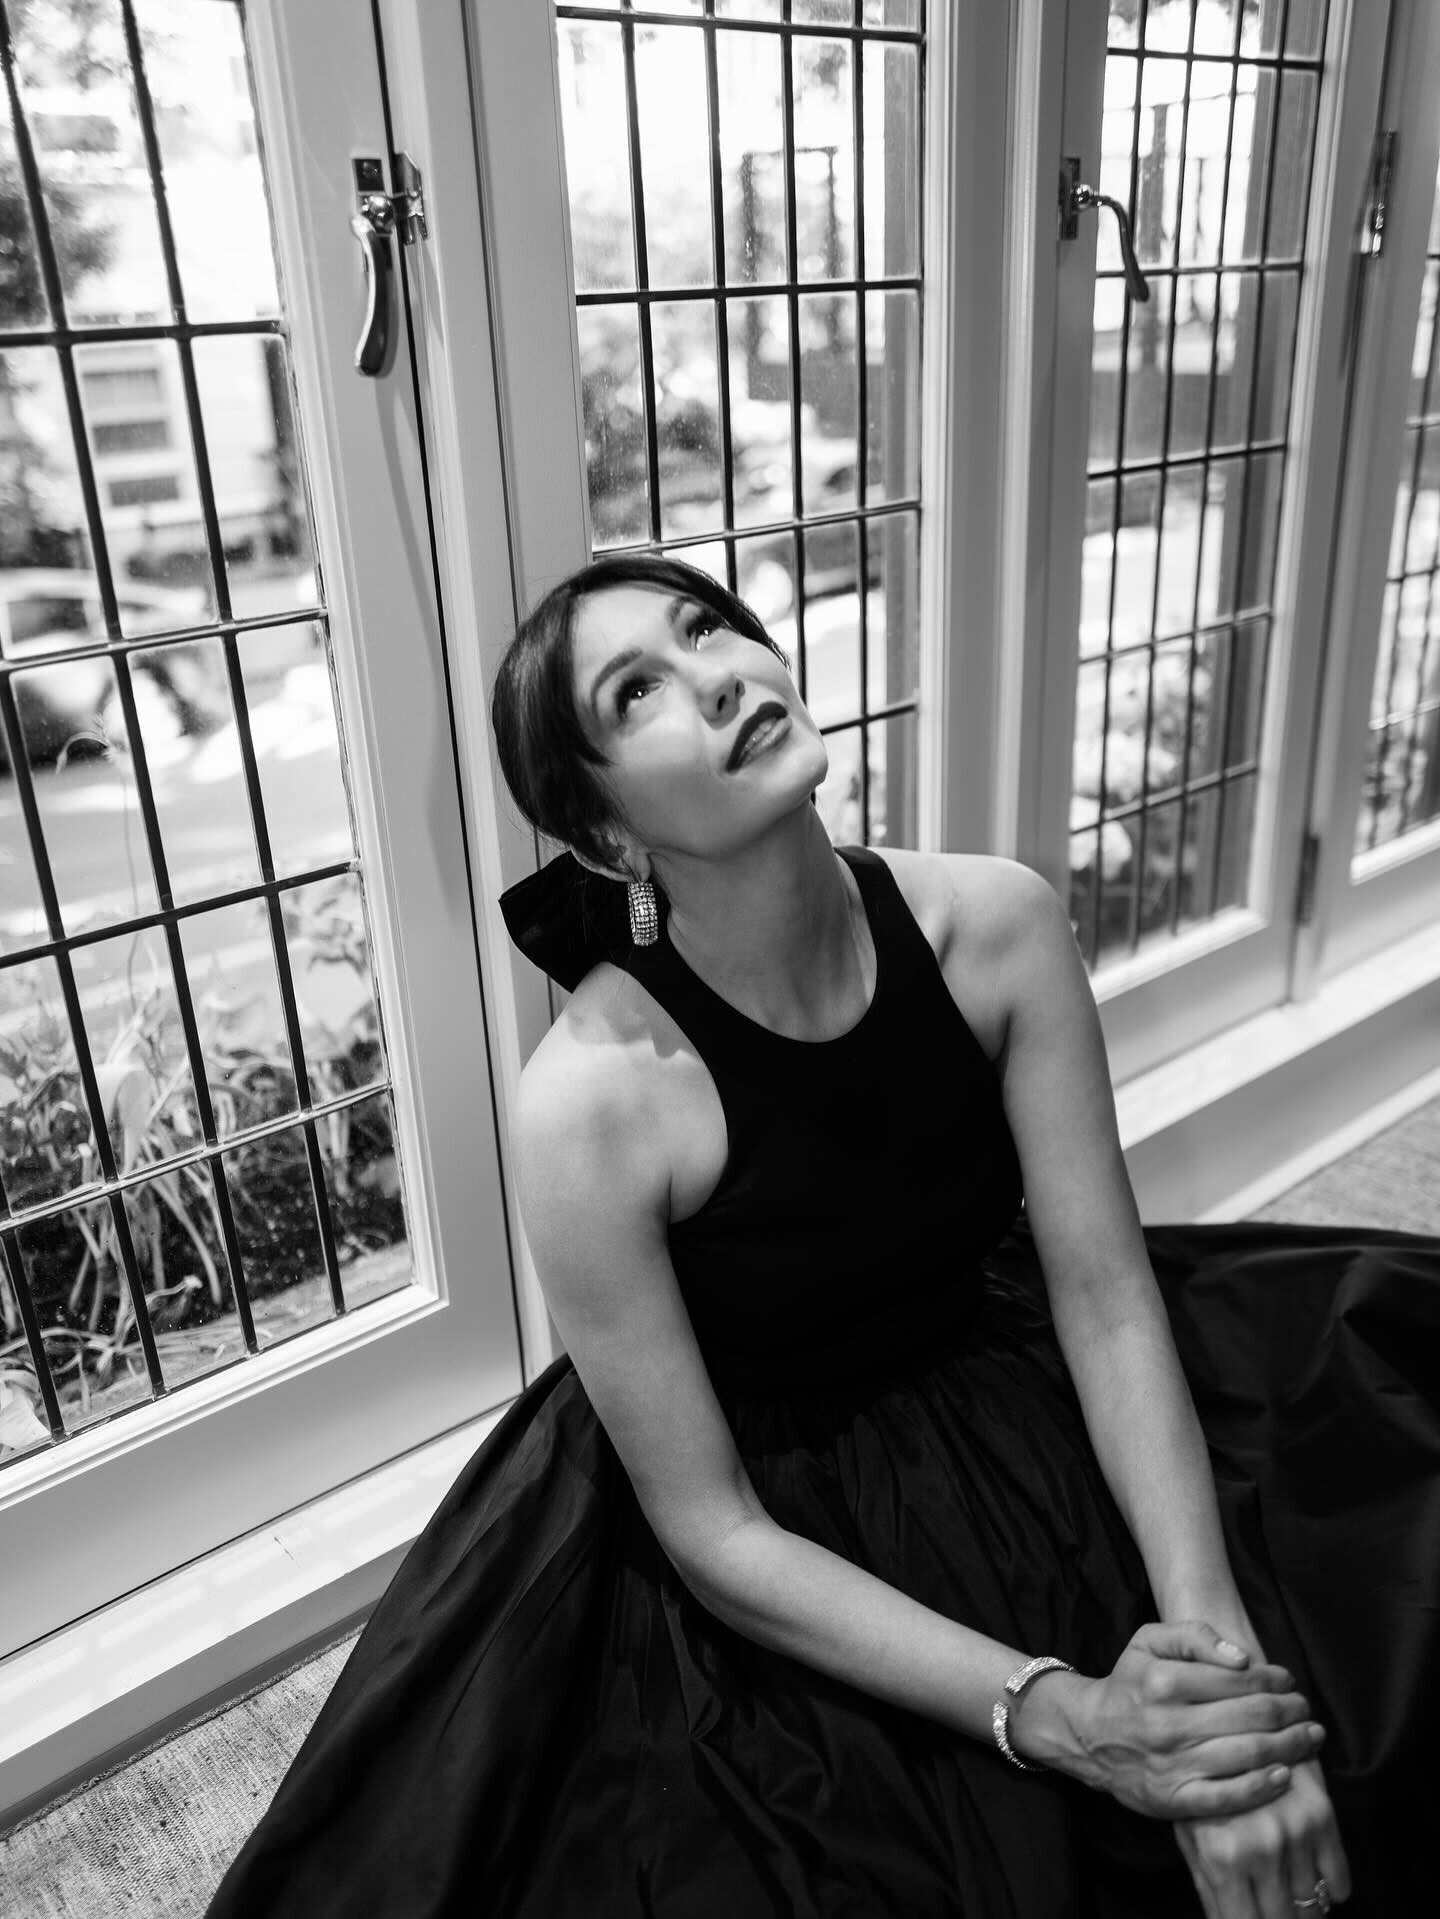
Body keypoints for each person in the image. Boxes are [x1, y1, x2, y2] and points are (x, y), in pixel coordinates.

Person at [207, 553, 1439, 1918]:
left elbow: (1103, 1292)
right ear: (608, 835)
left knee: (1374, 1630)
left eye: (707, 628)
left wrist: (1224, 1693)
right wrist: (1066, 1715)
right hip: (766, 1503)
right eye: (636, 693)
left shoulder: (1000, 923)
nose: (715, 677)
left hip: (1005, 1354)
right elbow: (714, 1531)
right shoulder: (589, 1106)